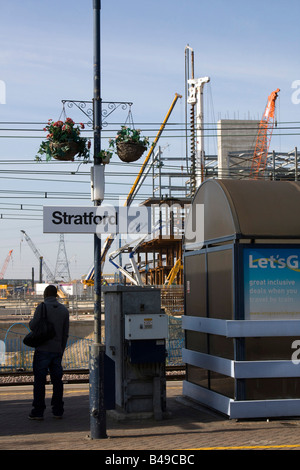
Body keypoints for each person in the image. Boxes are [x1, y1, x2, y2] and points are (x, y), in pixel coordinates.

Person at [28, 284, 69, 420]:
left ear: (45, 295)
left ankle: (38, 411)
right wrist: (61, 349)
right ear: (56, 295)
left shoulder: (42, 307)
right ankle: (58, 410)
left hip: (42, 349)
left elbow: (33, 326)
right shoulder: (64, 310)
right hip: (57, 350)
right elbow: (65, 334)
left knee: (39, 381)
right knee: (57, 381)